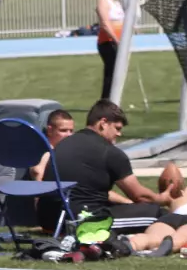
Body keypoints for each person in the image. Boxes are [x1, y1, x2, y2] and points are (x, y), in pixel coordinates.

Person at [36, 100, 174, 234]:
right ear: (103, 124)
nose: (119, 134)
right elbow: (140, 196)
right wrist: (162, 199)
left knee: (125, 209)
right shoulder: (109, 152)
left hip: (48, 220)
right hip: (80, 220)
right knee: (158, 214)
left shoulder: (63, 144)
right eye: (117, 128)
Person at [95, 0, 124, 100]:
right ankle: (106, 100)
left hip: (118, 41)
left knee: (118, 73)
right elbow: (105, 23)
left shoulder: (116, 3)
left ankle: (112, 99)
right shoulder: (104, 0)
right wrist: (116, 39)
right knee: (111, 72)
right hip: (108, 42)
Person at [29, 109, 75, 181]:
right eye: (63, 130)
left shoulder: (62, 148)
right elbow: (37, 171)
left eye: (71, 131)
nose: (69, 135)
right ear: (50, 130)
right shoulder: (44, 149)